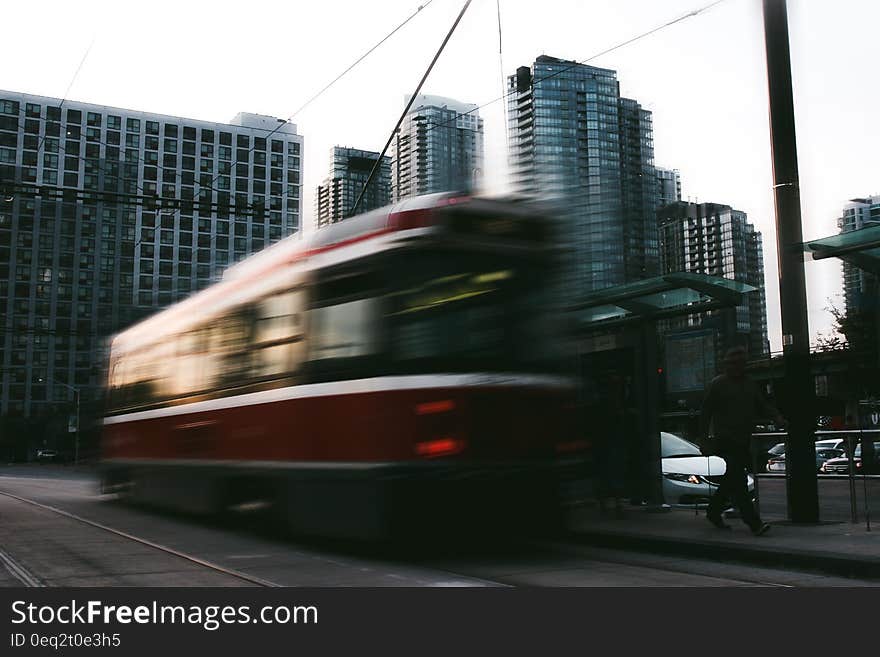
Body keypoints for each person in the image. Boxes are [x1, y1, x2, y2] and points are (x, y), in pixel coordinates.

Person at [701, 346, 785, 536]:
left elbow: (762, 405)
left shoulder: (749, 384)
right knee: (738, 479)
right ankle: (753, 522)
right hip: (725, 439)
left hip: (742, 439)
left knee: (732, 478)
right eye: (733, 363)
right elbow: (705, 413)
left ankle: (713, 511)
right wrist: (704, 438)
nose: (737, 367)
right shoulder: (718, 384)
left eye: (740, 363)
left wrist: (777, 417)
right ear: (727, 365)